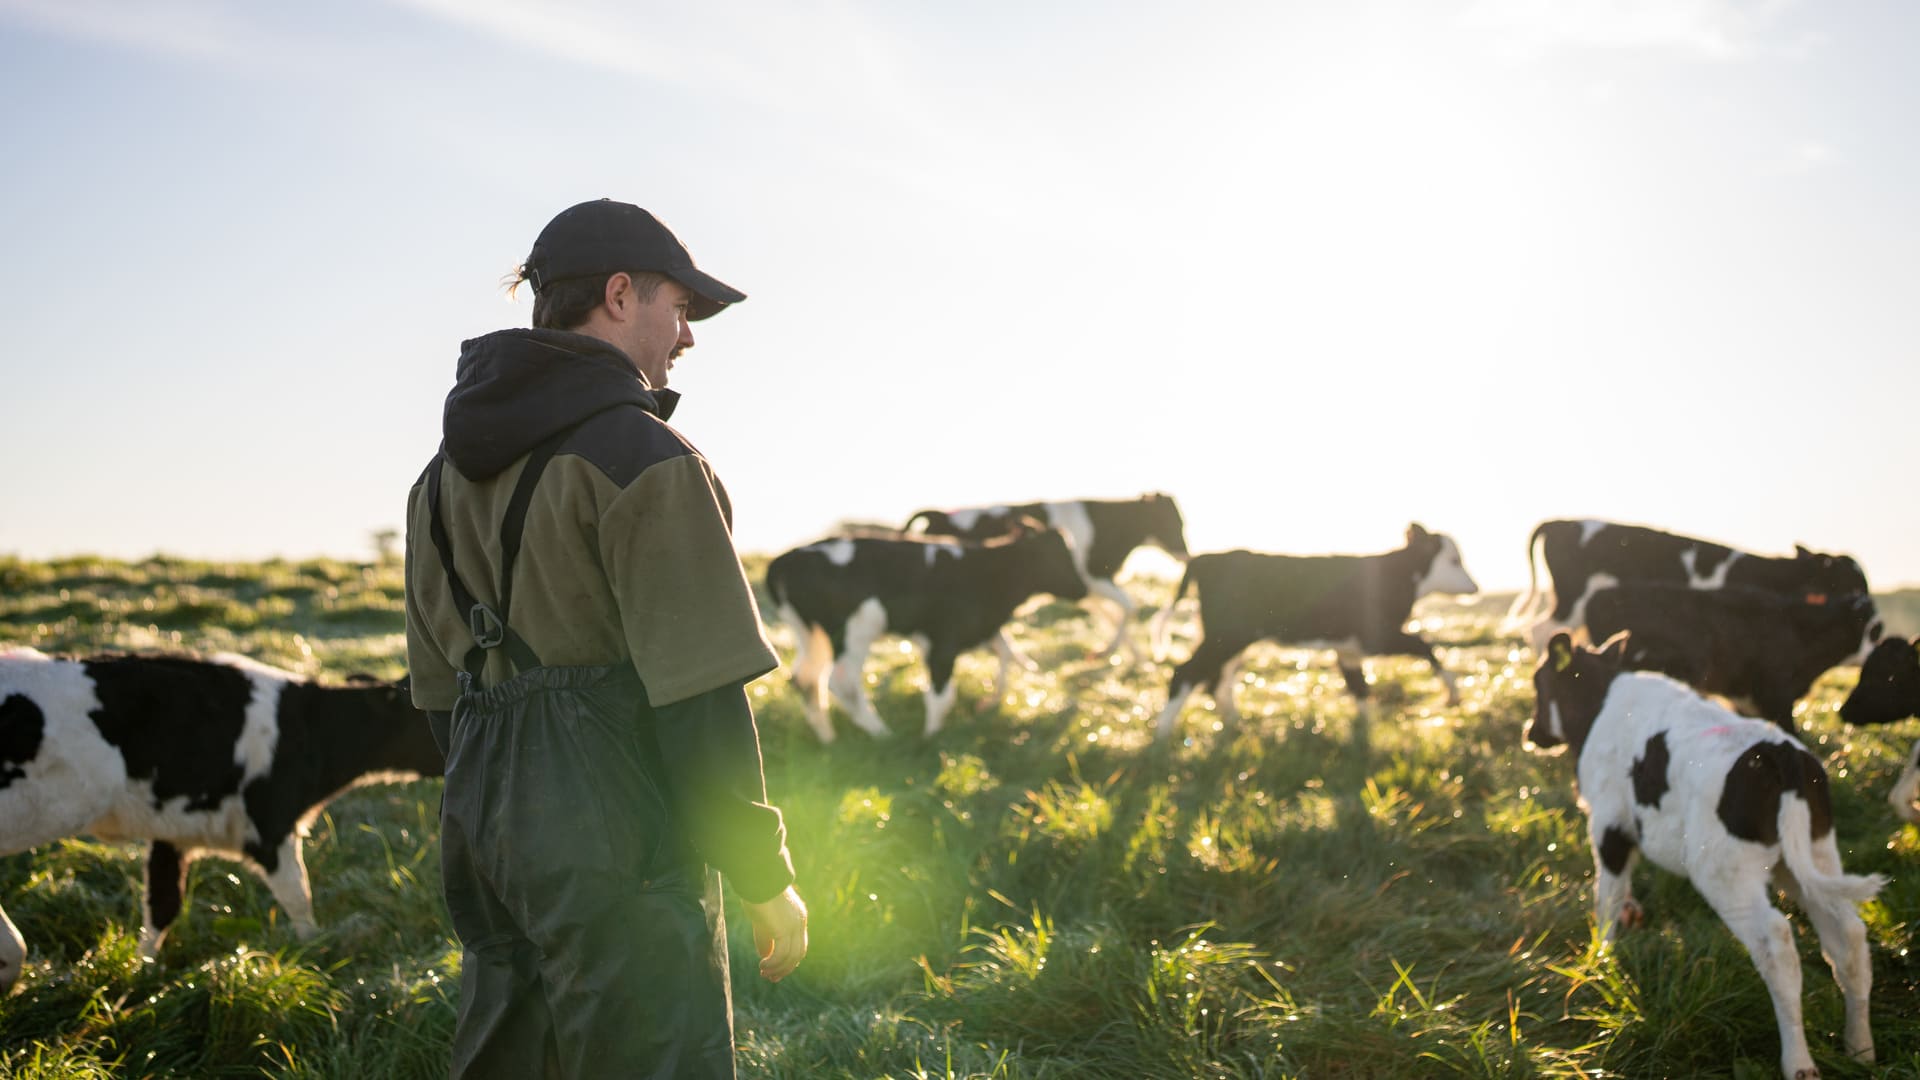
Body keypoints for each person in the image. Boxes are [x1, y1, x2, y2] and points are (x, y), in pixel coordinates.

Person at [404, 198, 808, 1079]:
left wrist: (495, 809)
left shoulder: (434, 481)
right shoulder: (648, 460)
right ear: (621, 295)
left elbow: (439, 696)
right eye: (680, 307)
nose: (687, 336)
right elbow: (701, 695)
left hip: (481, 833)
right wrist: (760, 873)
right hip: (623, 835)